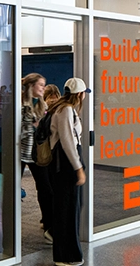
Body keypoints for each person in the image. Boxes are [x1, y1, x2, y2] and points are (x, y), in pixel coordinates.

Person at [48, 77, 89, 266]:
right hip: (64, 167)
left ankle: (69, 253)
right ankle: (66, 256)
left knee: (69, 207)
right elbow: (68, 142)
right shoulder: (65, 111)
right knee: (67, 209)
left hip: (65, 166)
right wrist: (78, 168)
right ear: (79, 95)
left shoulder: (63, 109)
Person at [19, 73, 55, 243]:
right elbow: (17, 131)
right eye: (40, 85)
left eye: (43, 85)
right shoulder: (20, 104)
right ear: (31, 86)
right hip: (20, 152)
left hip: (37, 153)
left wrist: (37, 127)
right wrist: (34, 127)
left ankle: (49, 225)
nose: (42, 88)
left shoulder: (42, 104)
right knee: (12, 190)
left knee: (45, 188)